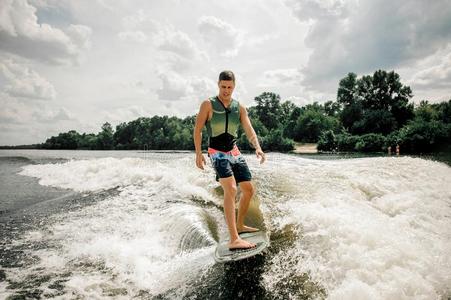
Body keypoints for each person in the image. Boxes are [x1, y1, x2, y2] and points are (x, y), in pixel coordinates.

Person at [193, 70, 266, 250]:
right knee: (231, 189)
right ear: (218, 84)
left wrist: (257, 147)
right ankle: (234, 239)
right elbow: (198, 130)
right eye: (223, 87)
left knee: (248, 189)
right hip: (216, 151)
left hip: (233, 151)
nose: (226, 90)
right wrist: (198, 153)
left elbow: (249, 129)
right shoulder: (208, 104)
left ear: (234, 86)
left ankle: (240, 226)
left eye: (230, 87)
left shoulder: (239, 107)